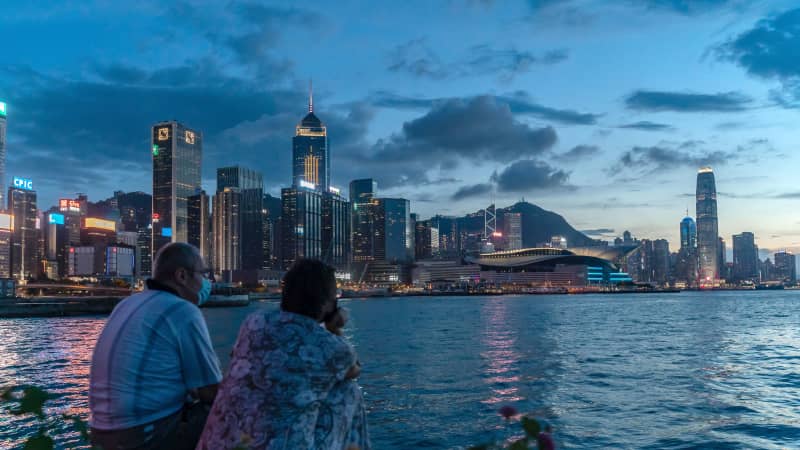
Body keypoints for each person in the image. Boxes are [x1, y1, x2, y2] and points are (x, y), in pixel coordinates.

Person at [197, 259, 370, 450]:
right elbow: (354, 370)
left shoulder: (255, 322)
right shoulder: (329, 346)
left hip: (216, 444)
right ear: (329, 303)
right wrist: (334, 327)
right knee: (348, 391)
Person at [89, 242, 222, 450]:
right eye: (202, 274)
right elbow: (211, 391)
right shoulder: (183, 311)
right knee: (230, 408)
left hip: (100, 435)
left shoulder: (127, 304)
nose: (206, 282)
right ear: (182, 276)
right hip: (143, 436)